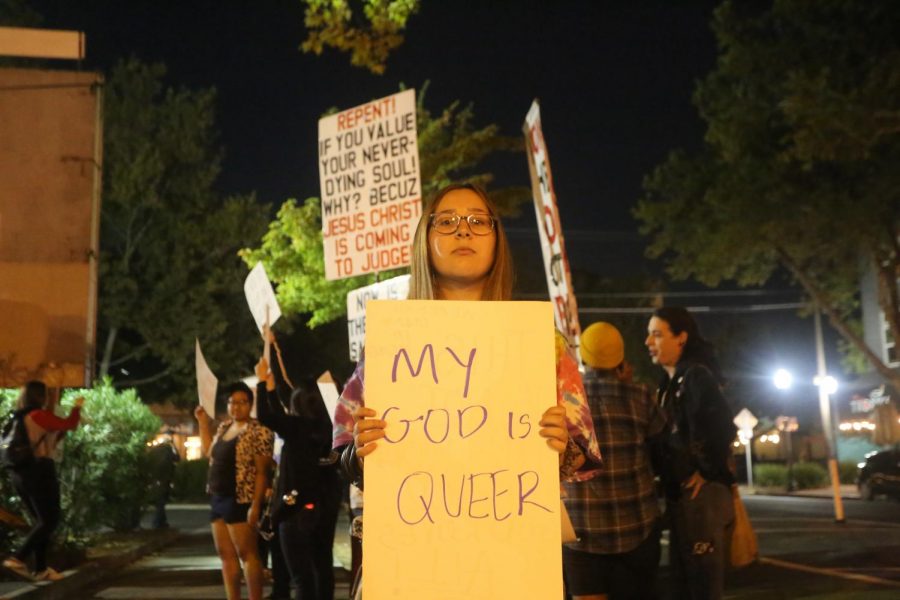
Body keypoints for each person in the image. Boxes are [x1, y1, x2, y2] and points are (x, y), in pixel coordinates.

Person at [332, 182, 602, 538]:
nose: (463, 229)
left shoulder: (541, 343)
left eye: (478, 221)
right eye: (446, 221)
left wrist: (561, 447)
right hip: (413, 549)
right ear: (425, 240)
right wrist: (362, 450)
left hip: (512, 549)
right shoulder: (390, 344)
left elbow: (584, 453)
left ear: (496, 240)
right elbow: (342, 451)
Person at [562, 322, 667, 600]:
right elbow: (662, 450)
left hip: (581, 530)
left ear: (582, 356)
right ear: (621, 359)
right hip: (637, 528)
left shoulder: (566, 400)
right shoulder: (641, 396)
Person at [645, 307, 736, 600]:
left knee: (703, 584)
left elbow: (722, 425)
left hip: (701, 496)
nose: (648, 342)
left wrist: (706, 471)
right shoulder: (668, 384)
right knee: (682, 581)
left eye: (657, 334)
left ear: (681, 338)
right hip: (680, 495)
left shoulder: (696, 376)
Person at [255, 355, 341, 600]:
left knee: (301, 576)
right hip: (326, 504)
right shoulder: (334, 429)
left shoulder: (296, 428)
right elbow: (280, 418)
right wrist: (272, 390)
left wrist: (262, 383)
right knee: (323, 565)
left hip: (295, 507)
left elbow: (267, 417)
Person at [194, 382, 274, 600]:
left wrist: (256, 506)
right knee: (226, 556)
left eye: (242, 402)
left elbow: (262, 472)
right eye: (232, 402)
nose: (236, 407)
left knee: (247, 554)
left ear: (250, 404)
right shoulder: (224, 427)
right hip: (218, 496)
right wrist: (202, 423)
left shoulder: (260, 431)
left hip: (242, 499)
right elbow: (210, 453)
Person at [2, 381, 83, 582]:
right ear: (40, 396)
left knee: (42, 521)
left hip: (20, 472)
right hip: (39, 470)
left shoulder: (18, 417)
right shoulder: (39, 415)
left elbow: (53, 436)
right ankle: (17, 558)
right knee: (50, 520)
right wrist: (77, 407)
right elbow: (70, 424)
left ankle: (41, 568)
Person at [147, 434, 180, 529]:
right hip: (165, 479)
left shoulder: (154, 450)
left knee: (160, 501)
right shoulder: (168, 450)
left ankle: (162, 522)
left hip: (154, 479)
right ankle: (157, 522)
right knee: (161, 502)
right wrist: (174, 446)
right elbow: (177, 458)